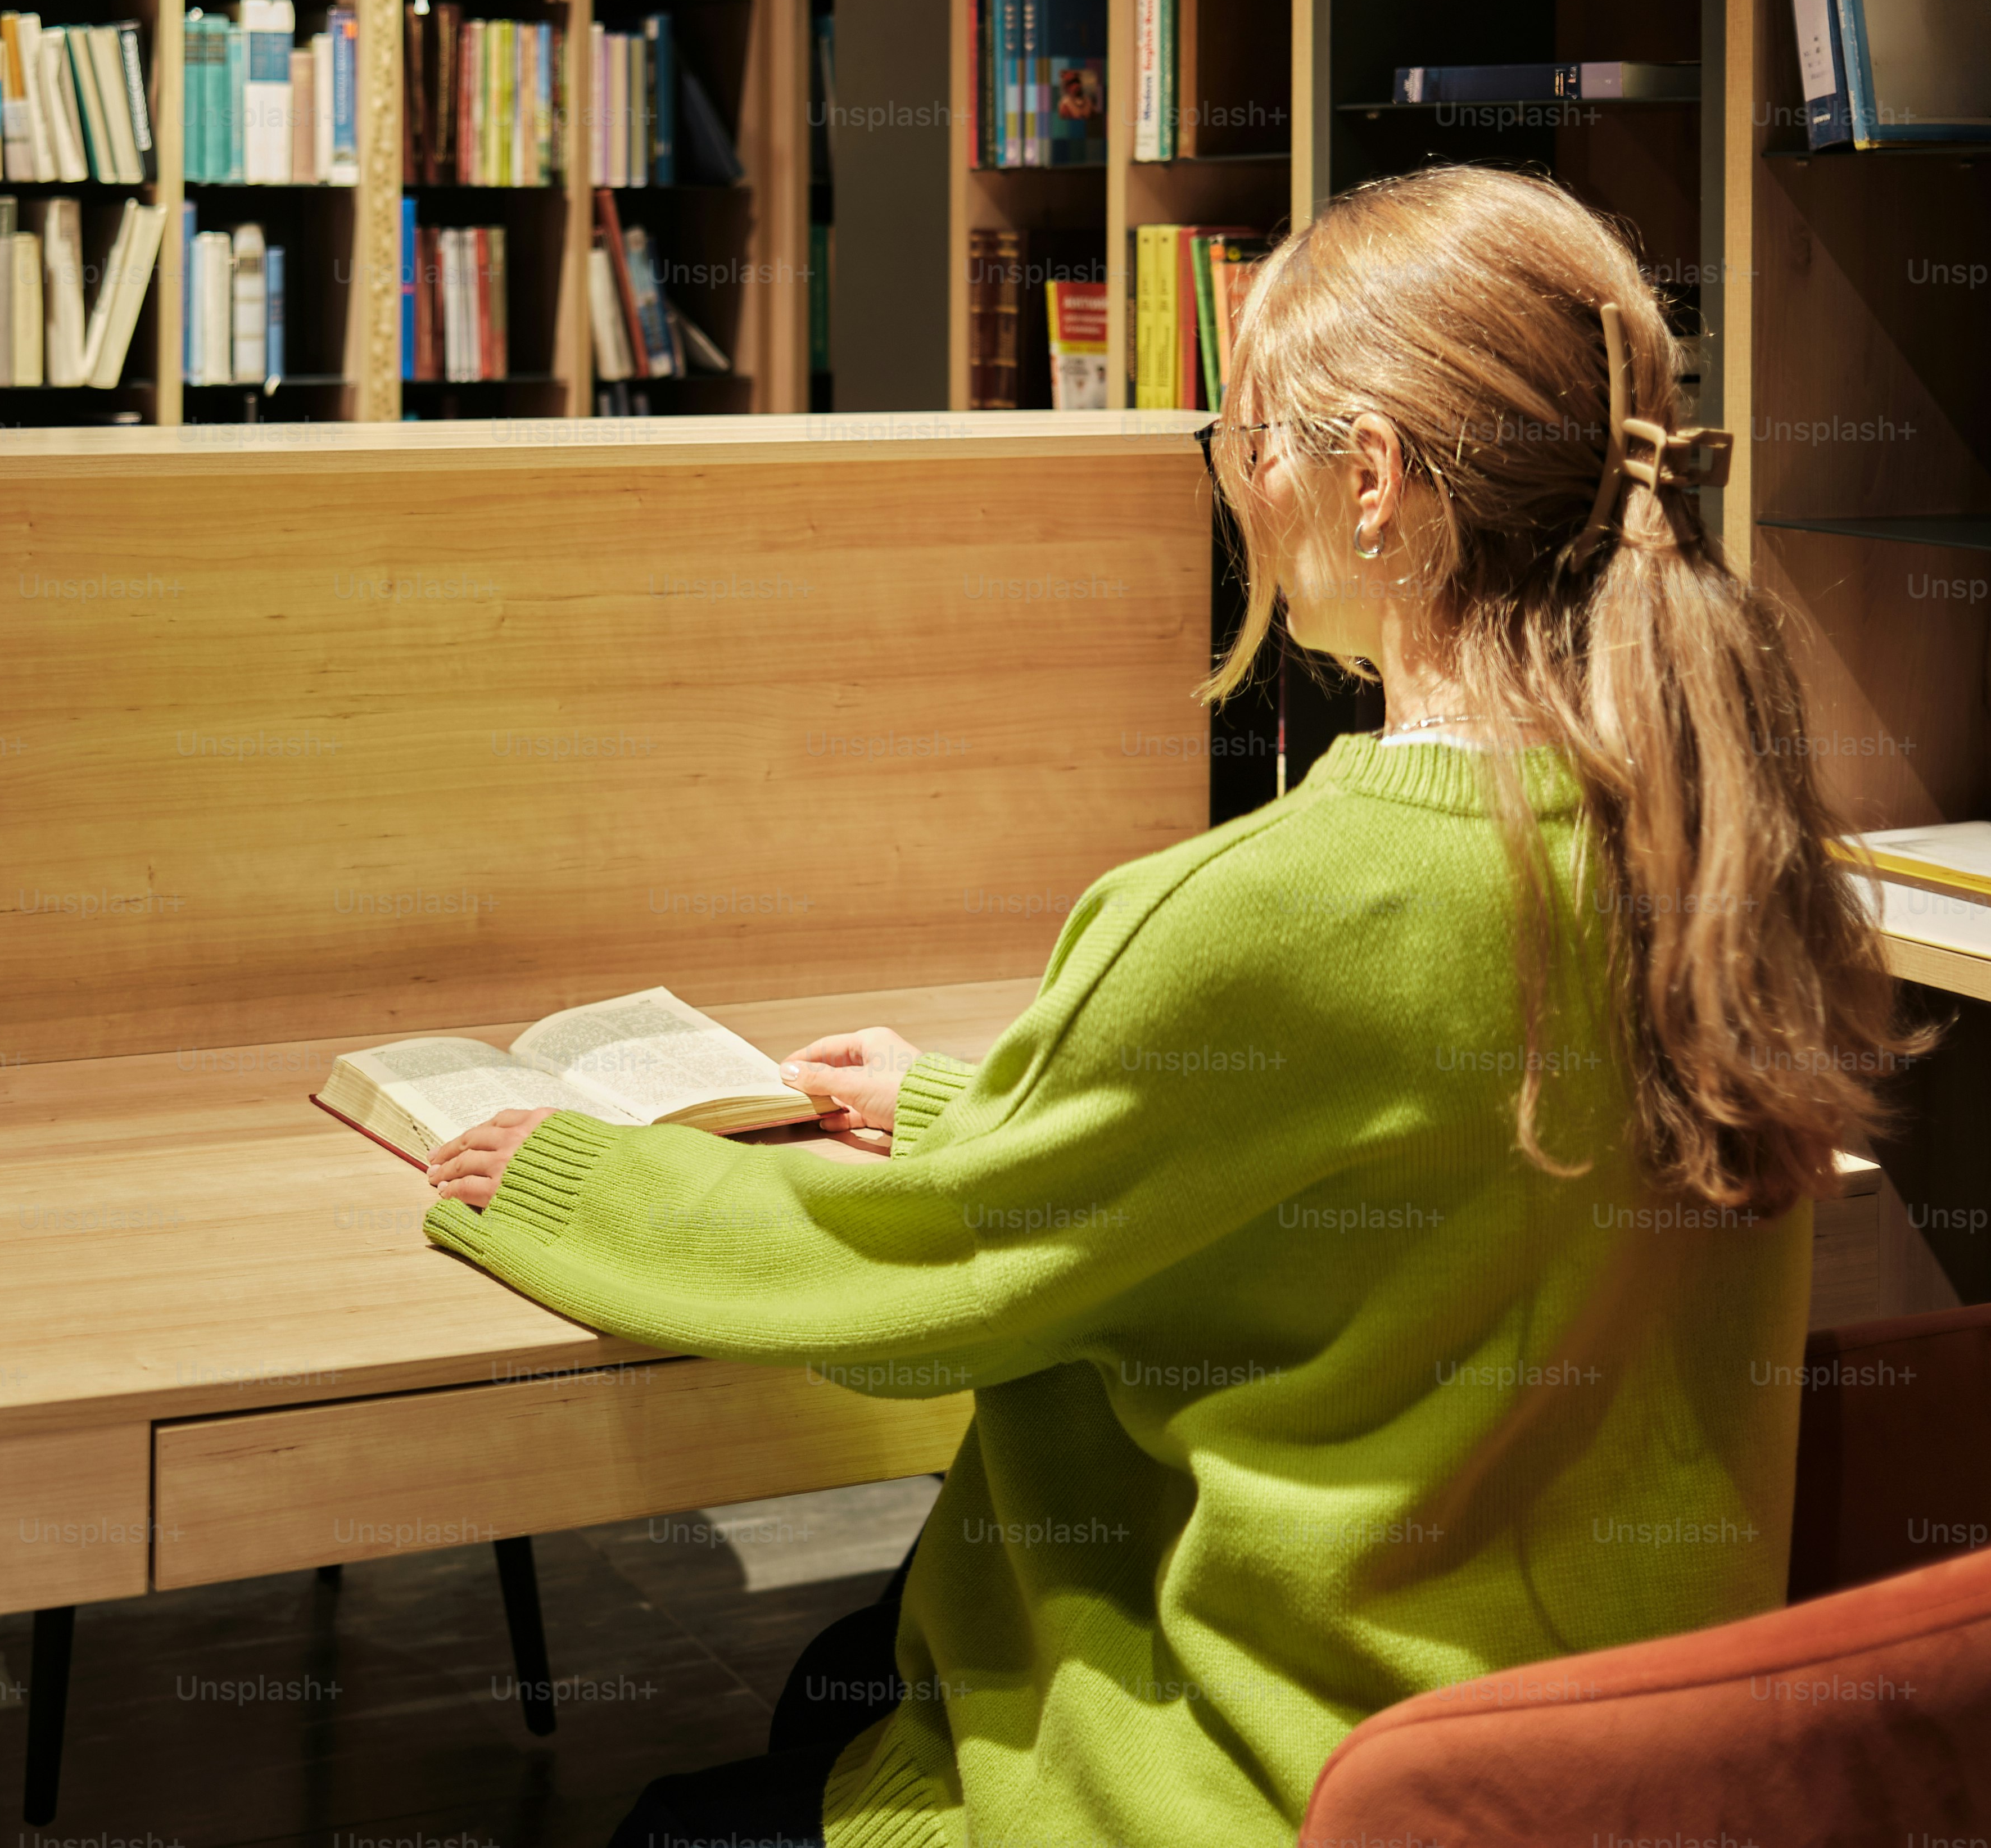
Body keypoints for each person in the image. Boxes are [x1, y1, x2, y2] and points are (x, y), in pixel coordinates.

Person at [418, 166, 1927, 1848]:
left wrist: (578, 1180)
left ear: (1372, 484)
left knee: (700, 1799)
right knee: (838, 1679)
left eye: (1253, 438)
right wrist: (964, 1105)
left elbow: (933, 1286)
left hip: (1262, 1784)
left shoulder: (1283, 902)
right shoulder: (1722, 846)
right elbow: (1368, 1173)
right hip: (1594, 1774)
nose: (1240, 484)